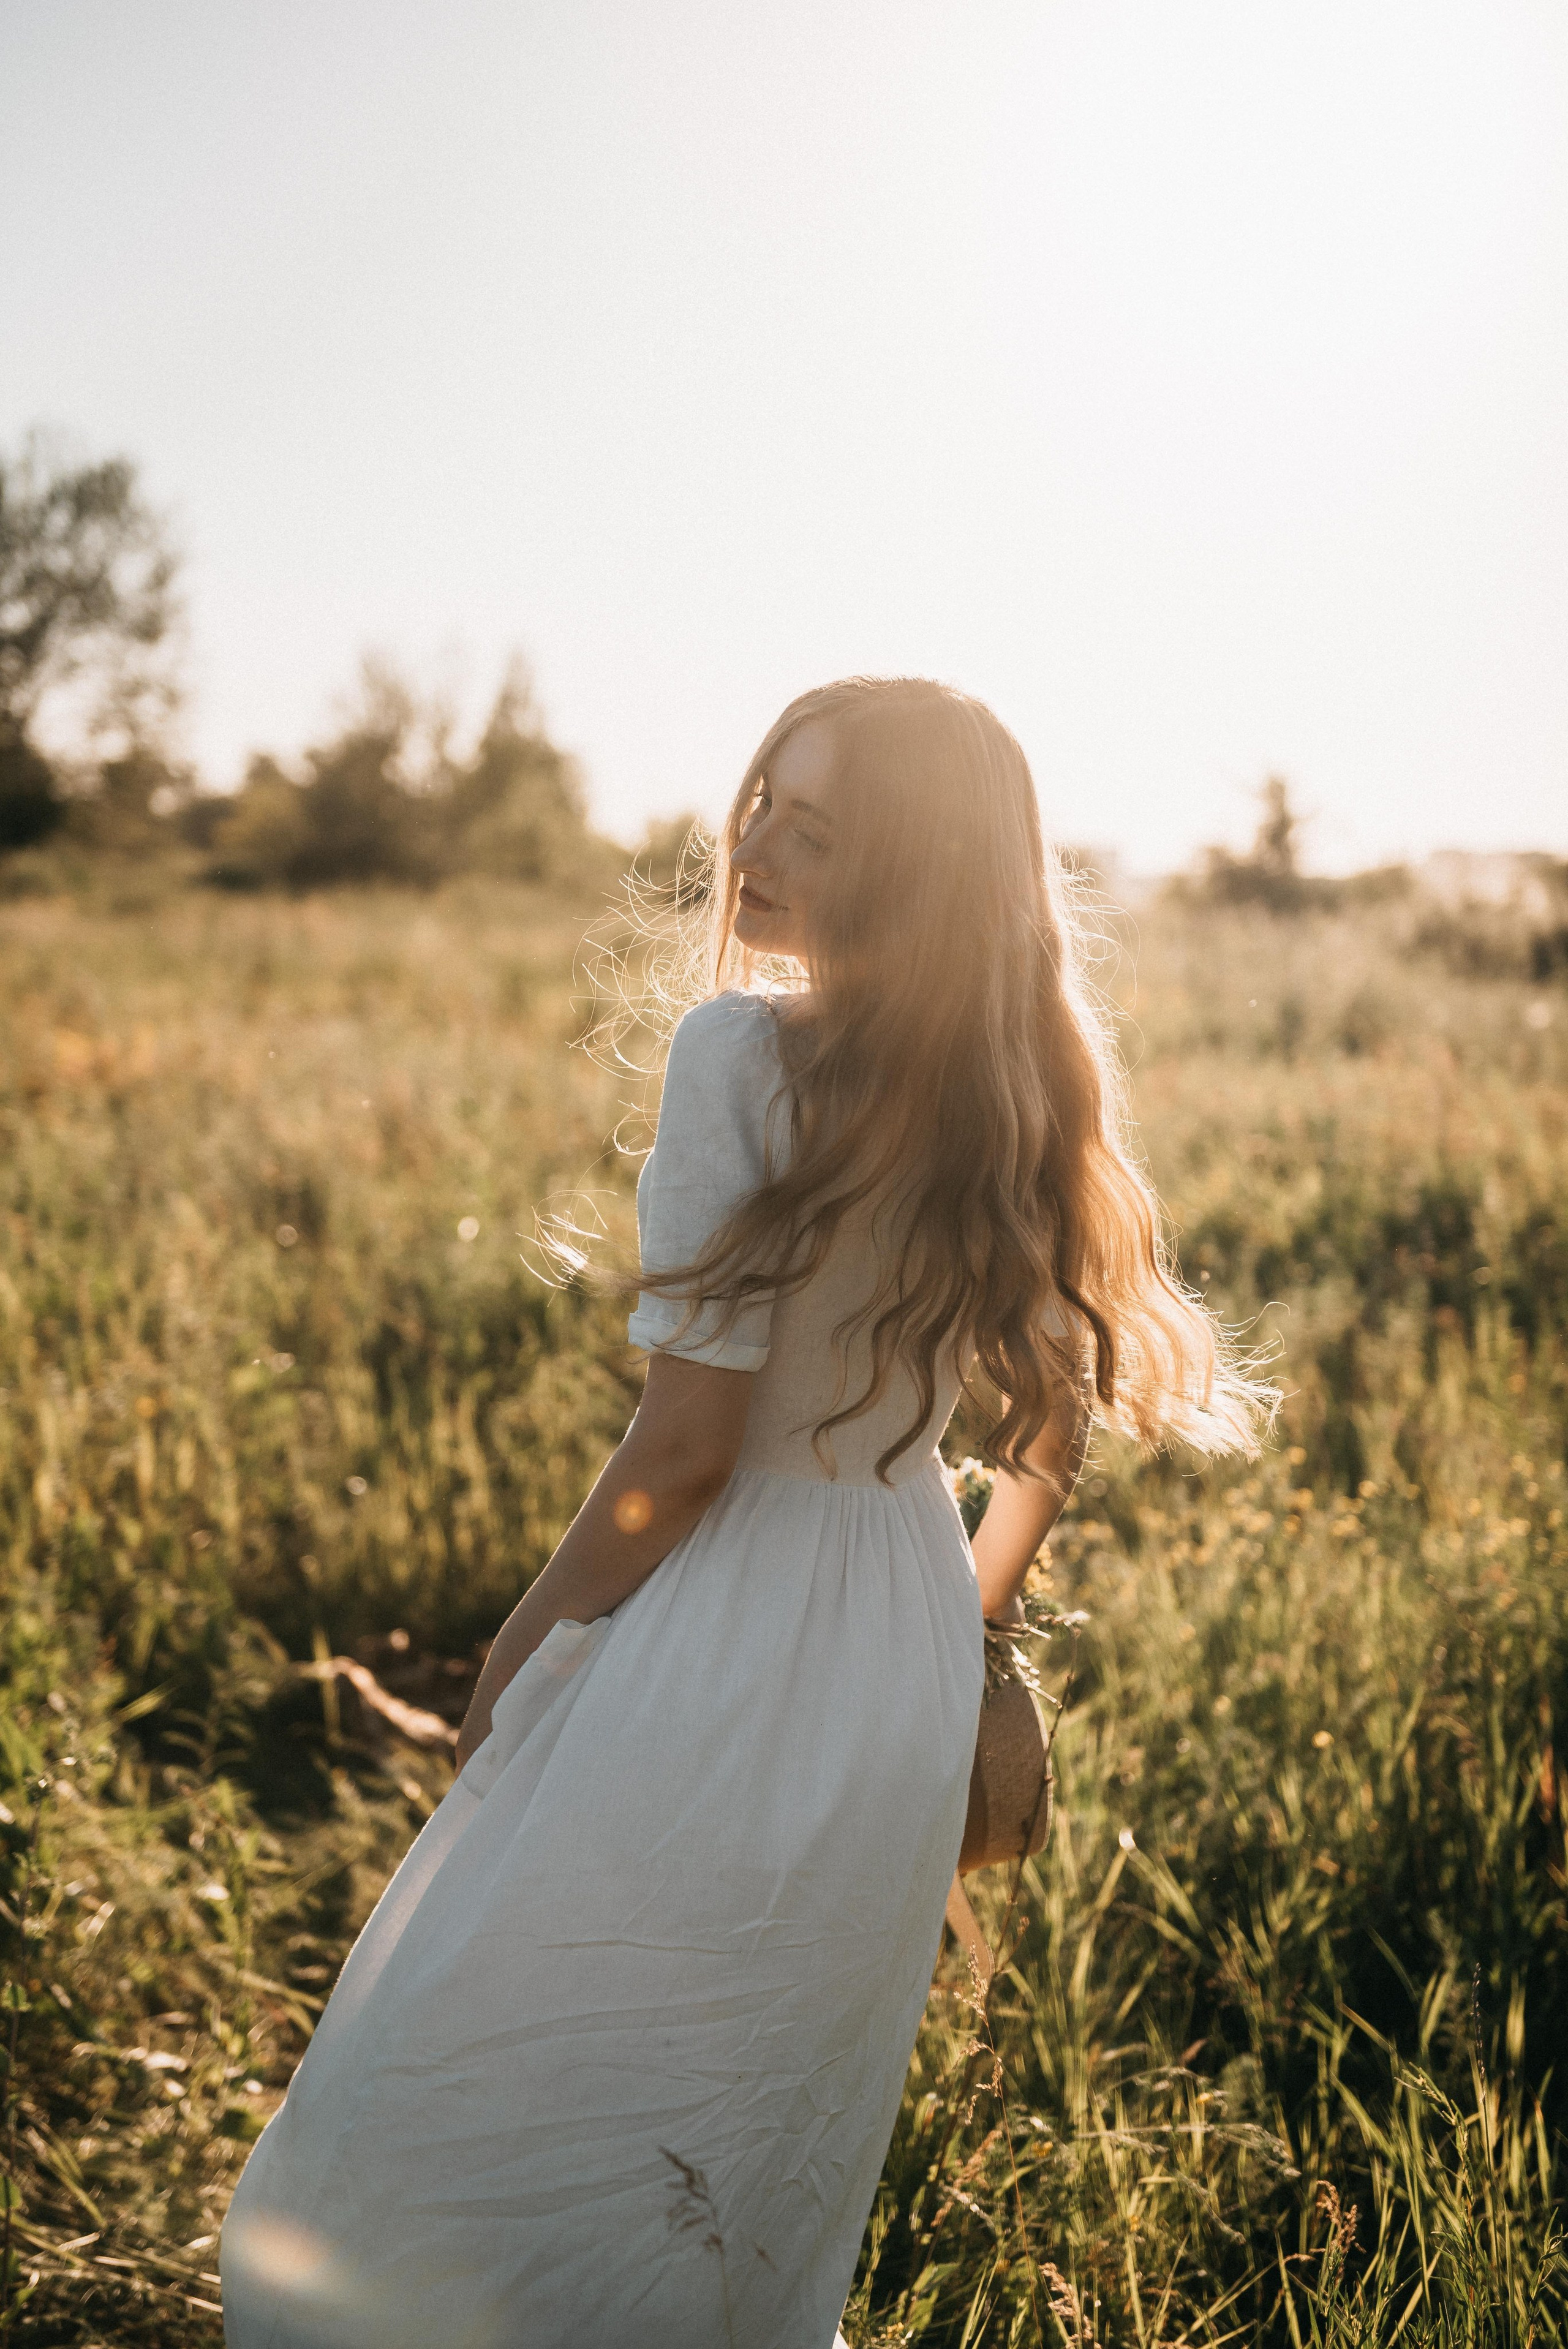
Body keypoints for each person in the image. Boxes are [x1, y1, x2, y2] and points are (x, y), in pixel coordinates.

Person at [222, 677, 1267, 2349]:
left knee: (498, 2033)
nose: (759, 844)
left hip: (730, 1612)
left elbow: (689, 1444)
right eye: (764, 798)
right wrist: (967, 1621)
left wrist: (524, 1645)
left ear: (912, 876)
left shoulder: (742, 1054)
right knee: (757, 2090)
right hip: (901, 1631)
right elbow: (1054, 1425)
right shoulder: (1012, 1073)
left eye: (821, 826)